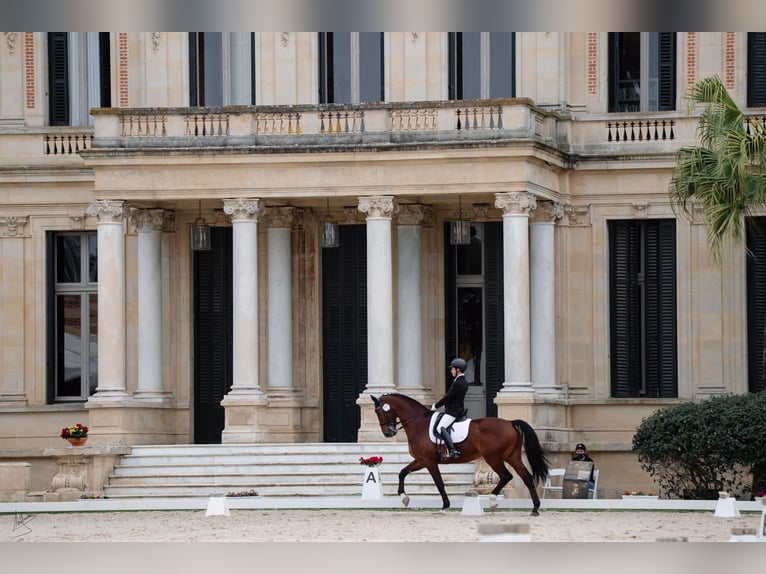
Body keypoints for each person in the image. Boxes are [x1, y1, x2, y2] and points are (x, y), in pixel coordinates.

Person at [431, 357, 469, 459]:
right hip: (454, 409)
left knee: (440, 427)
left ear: (458, 370)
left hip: (453, 411)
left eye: (452, 369)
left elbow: (448, 397)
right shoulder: (460, 381)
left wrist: (436, 405)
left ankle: (452, 450)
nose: (451, 371)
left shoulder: (459, 382)